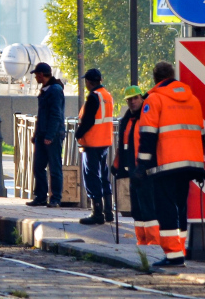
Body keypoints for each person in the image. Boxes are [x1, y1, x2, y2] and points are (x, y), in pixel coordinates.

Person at [139, 60, 205, 268]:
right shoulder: (193, 99)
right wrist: (200, 164)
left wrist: (142, 165)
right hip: (189, 164)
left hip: (165, 164)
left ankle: (173, 255)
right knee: (181, 207)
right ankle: (180, 249)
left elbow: (148, 135)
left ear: (155, 78)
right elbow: (200, 134)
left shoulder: (154, 99)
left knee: (165, 208)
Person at [113, 85, 160, 247]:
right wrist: (117, 165)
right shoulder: (127, 120)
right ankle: (142, 241)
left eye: (135, 98)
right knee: (137, 209)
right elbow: (123, 146)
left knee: (148, 207)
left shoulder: (146, 117)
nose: (132, 102)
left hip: (147, 170)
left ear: (142, 98)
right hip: (133, 171)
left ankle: (154, 242)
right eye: (129, 99)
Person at [74, 68, 115, 225]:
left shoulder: (93, 96)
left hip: (92, 142)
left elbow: (88, 120)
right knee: (104, 176)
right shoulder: (107, 95)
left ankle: (97, 213)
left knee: (91, 177)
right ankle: (108, 212)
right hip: (105, 142)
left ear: (89, 82)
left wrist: (78, 134)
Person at [25, 62, 65, 208]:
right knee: (38, 166)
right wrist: (37, 134)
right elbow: (41, 115)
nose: (35, 77)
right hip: (42, 135)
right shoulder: (46, 89)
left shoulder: (54, 90)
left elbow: (55, 115)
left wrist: (50, 135)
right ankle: (41, 197)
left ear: (41, 75)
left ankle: (55, 198)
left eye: (36, 75)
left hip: (52, 135)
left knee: (54, 167)